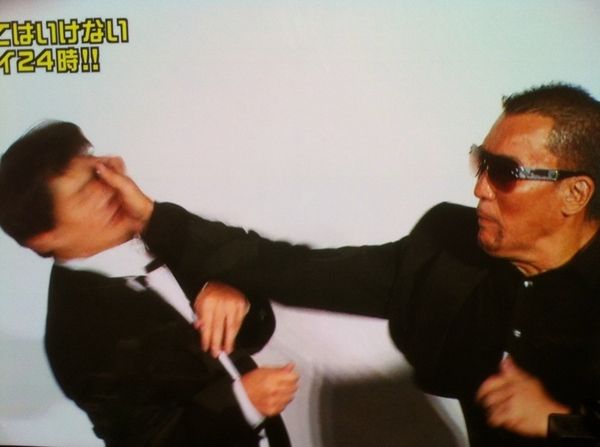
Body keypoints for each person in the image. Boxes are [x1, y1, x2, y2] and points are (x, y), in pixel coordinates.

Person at [89, 83, 600, 446]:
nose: (479, 188)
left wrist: (559, 422)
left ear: (575, 194)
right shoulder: (446, 246)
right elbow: (292, 268)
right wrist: (153, 218)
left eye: (506, 172)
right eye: (481, 162)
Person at [0, 122, 299, 447]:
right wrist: (242, 404)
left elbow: (256, 330)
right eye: (85, 193)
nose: (110, 189)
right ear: (44, 238)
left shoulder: (161, 235)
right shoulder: (74, 337)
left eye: (98, 174)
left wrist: (233, 293)